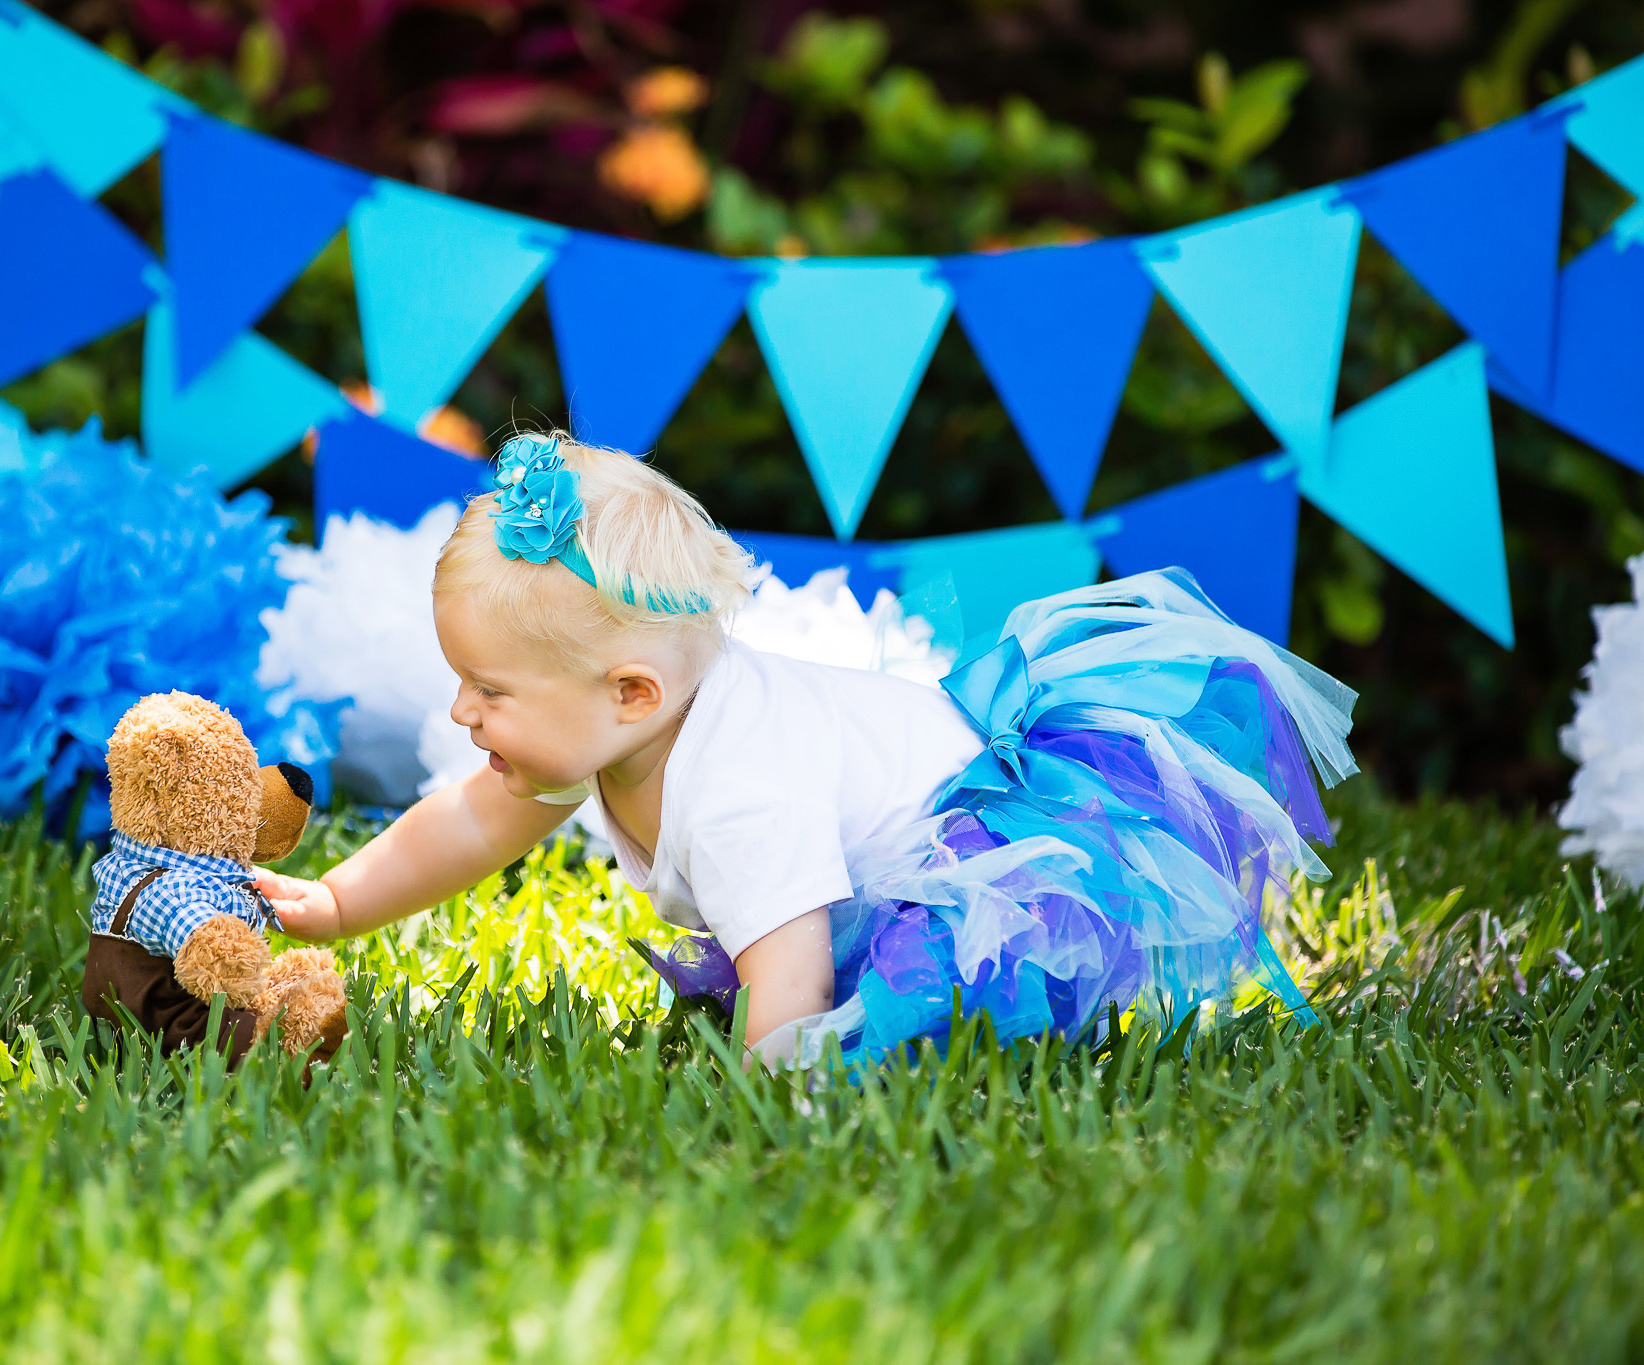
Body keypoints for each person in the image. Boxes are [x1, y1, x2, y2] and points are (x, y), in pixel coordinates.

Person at [257, 432, 1357, 1067]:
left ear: (630, 693)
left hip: (973, 855)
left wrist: (769, 1089)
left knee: (910, 1007)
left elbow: (785, 972)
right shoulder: (605, 728)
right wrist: (338, 904)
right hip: (878, 808)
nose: (458, 714)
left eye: (486, 691)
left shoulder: (738, 790)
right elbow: (467, 820)